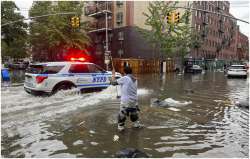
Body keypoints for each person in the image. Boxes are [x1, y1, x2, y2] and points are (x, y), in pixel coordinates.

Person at [111, 66, 143, 131]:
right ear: (131, 72)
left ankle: (121, 128)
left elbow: (113, 83)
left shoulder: (125, 78)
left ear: (124, 72)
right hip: (134, 101)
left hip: (125, 102)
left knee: (122, 115)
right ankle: (136, 125)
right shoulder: (135, 79)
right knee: (134, 114)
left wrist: (113, 74)